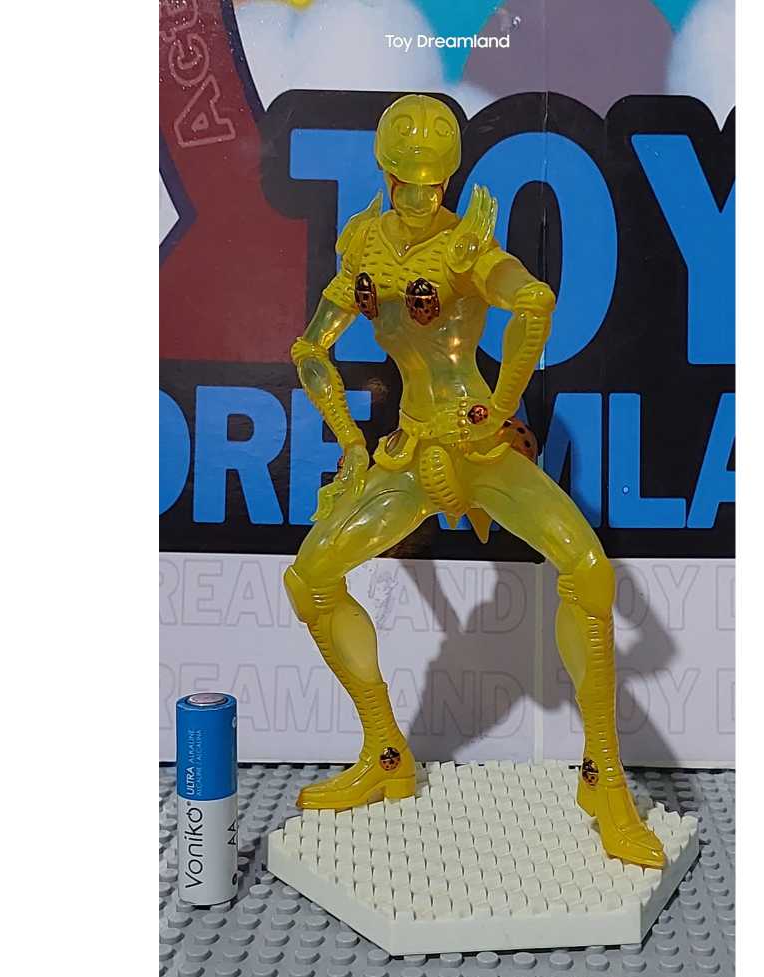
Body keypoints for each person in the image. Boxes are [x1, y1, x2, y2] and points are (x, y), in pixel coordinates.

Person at [284, 94, 664, 868]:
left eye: (435, 184)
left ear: (450, 178)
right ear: (388, 174)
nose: (422, 197)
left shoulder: (467, 247)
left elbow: (532, 301)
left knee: (588, 570)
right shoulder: (363, 243)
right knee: (310, 578)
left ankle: (604, 780)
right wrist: (351, 444)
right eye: (409, 183)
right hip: (407, 452)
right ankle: (385, 753)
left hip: (477, 448)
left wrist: (499, 408)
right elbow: (311, 349)